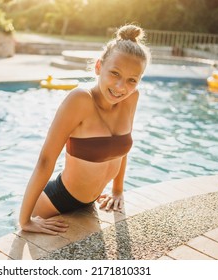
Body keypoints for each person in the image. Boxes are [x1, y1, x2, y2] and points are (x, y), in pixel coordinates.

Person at [19, 24, 151, 235]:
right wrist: (25, 220)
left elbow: (123, 146)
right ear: (99, 67)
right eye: (114, 73)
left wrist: (117, 191)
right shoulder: (80, 100)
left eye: (131, 80)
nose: (120, 87)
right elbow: (46, 160)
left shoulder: (131, 98)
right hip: (56, 201)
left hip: (91, 203)